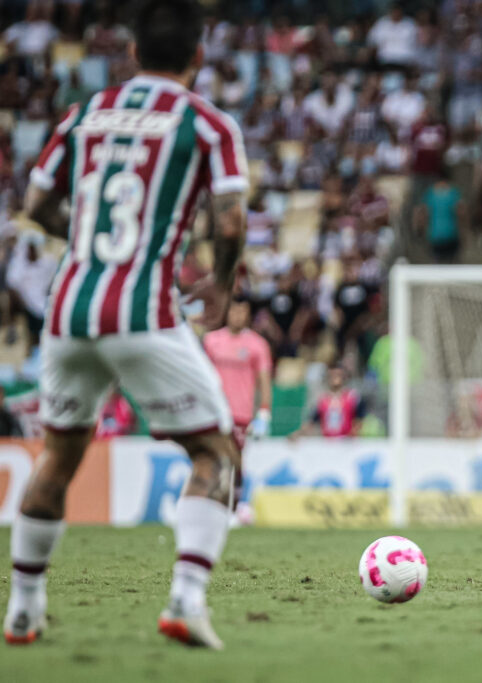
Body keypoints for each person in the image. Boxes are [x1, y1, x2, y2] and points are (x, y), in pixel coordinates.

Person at [4, 0, 248, 650]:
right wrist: (220, 283)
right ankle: (186, 600)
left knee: (57, 456)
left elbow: (33, 204)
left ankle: (22, 608)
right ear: (198, 56)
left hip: (68, 305)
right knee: (218, 451)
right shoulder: (207, 122)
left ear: (134, 53)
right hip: (142, 307)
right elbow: (228, 221)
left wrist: (83, 240)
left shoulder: (83, 113)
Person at [203, 297, 273, 449]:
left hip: (241, 415)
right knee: (210, 462)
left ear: (248, 315)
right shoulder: (211, 340)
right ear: (226, 312)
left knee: (235, 462)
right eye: (234, 310)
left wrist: (264, 412)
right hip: (214, 413)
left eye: (243, 311)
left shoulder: (258, 344)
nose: (238, 315)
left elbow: (264, 380)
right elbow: (201, 375)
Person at [291, 365, 364, 439]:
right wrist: (298, 433)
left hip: (346, 442)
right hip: (328, 444)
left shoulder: (352, 398)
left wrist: (353, 434)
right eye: (332, 375)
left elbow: (359, 420)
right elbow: (311, 422)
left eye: (338, 375)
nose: (335, 378)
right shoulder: (323, 400)